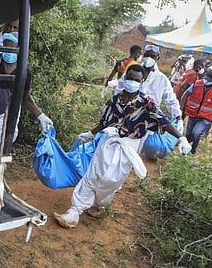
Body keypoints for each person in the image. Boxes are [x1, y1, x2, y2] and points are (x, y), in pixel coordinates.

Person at [53, 64, 191, 228]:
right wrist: (91, 133)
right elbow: (105, 121)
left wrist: (181, 138)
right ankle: (74, 212)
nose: (133, 81)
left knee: (111, 180)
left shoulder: (147, 104)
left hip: (128, 147)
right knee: (92, 175)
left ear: (141, 82)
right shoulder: (115, 100)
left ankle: (99, 203)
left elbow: (164, 122)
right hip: (109, 141)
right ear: (125, 78)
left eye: (136, 80)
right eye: (130, 78)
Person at [0, 32, 53, 154]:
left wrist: (40, 116)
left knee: (2, 144)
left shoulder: (24, 72)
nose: (8, 50)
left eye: (11, 47)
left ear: (18, 48)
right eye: (5, 46)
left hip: (5, 116)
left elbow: (26, 97)